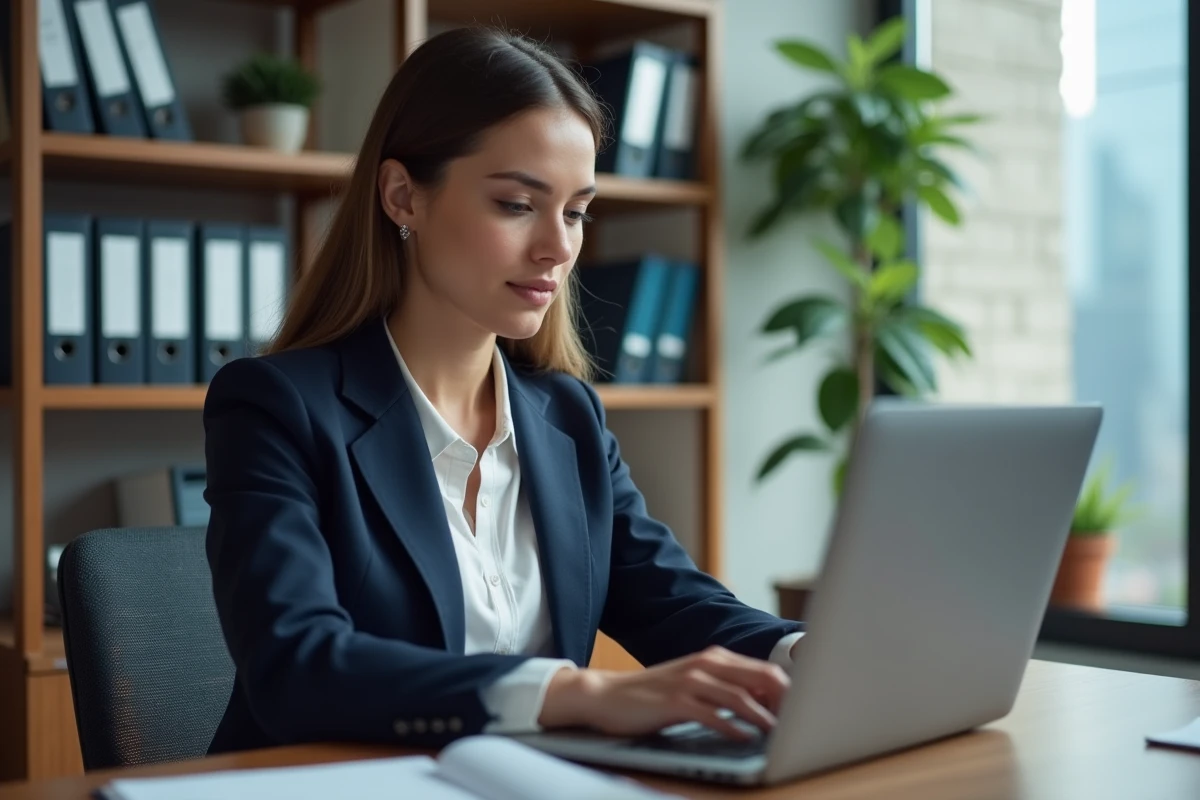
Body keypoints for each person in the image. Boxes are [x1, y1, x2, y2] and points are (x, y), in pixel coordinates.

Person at [202, 25, 805, 756]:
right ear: (403, 197)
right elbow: (296, 667)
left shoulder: (566, 417)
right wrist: (572, 693)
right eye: (518, 204)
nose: (558, 247)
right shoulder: (276, 407)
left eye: (577, 211)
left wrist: (804, 658)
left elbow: (672, 600)